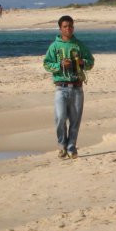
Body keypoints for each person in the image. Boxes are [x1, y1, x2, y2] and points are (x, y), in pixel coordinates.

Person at [43, 15, 94, 159]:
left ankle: (71, 147)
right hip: (61, 87)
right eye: (65, 26)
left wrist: (82, 62)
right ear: (60, 28)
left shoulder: (79, 45)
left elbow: (91, 62)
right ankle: (61, 145)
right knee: (60, 118)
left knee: (75, 120)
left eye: (70, 26)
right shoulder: (54, 46)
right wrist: (60, 65)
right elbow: (46, 64)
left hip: (77, 87)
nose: (68, 29)